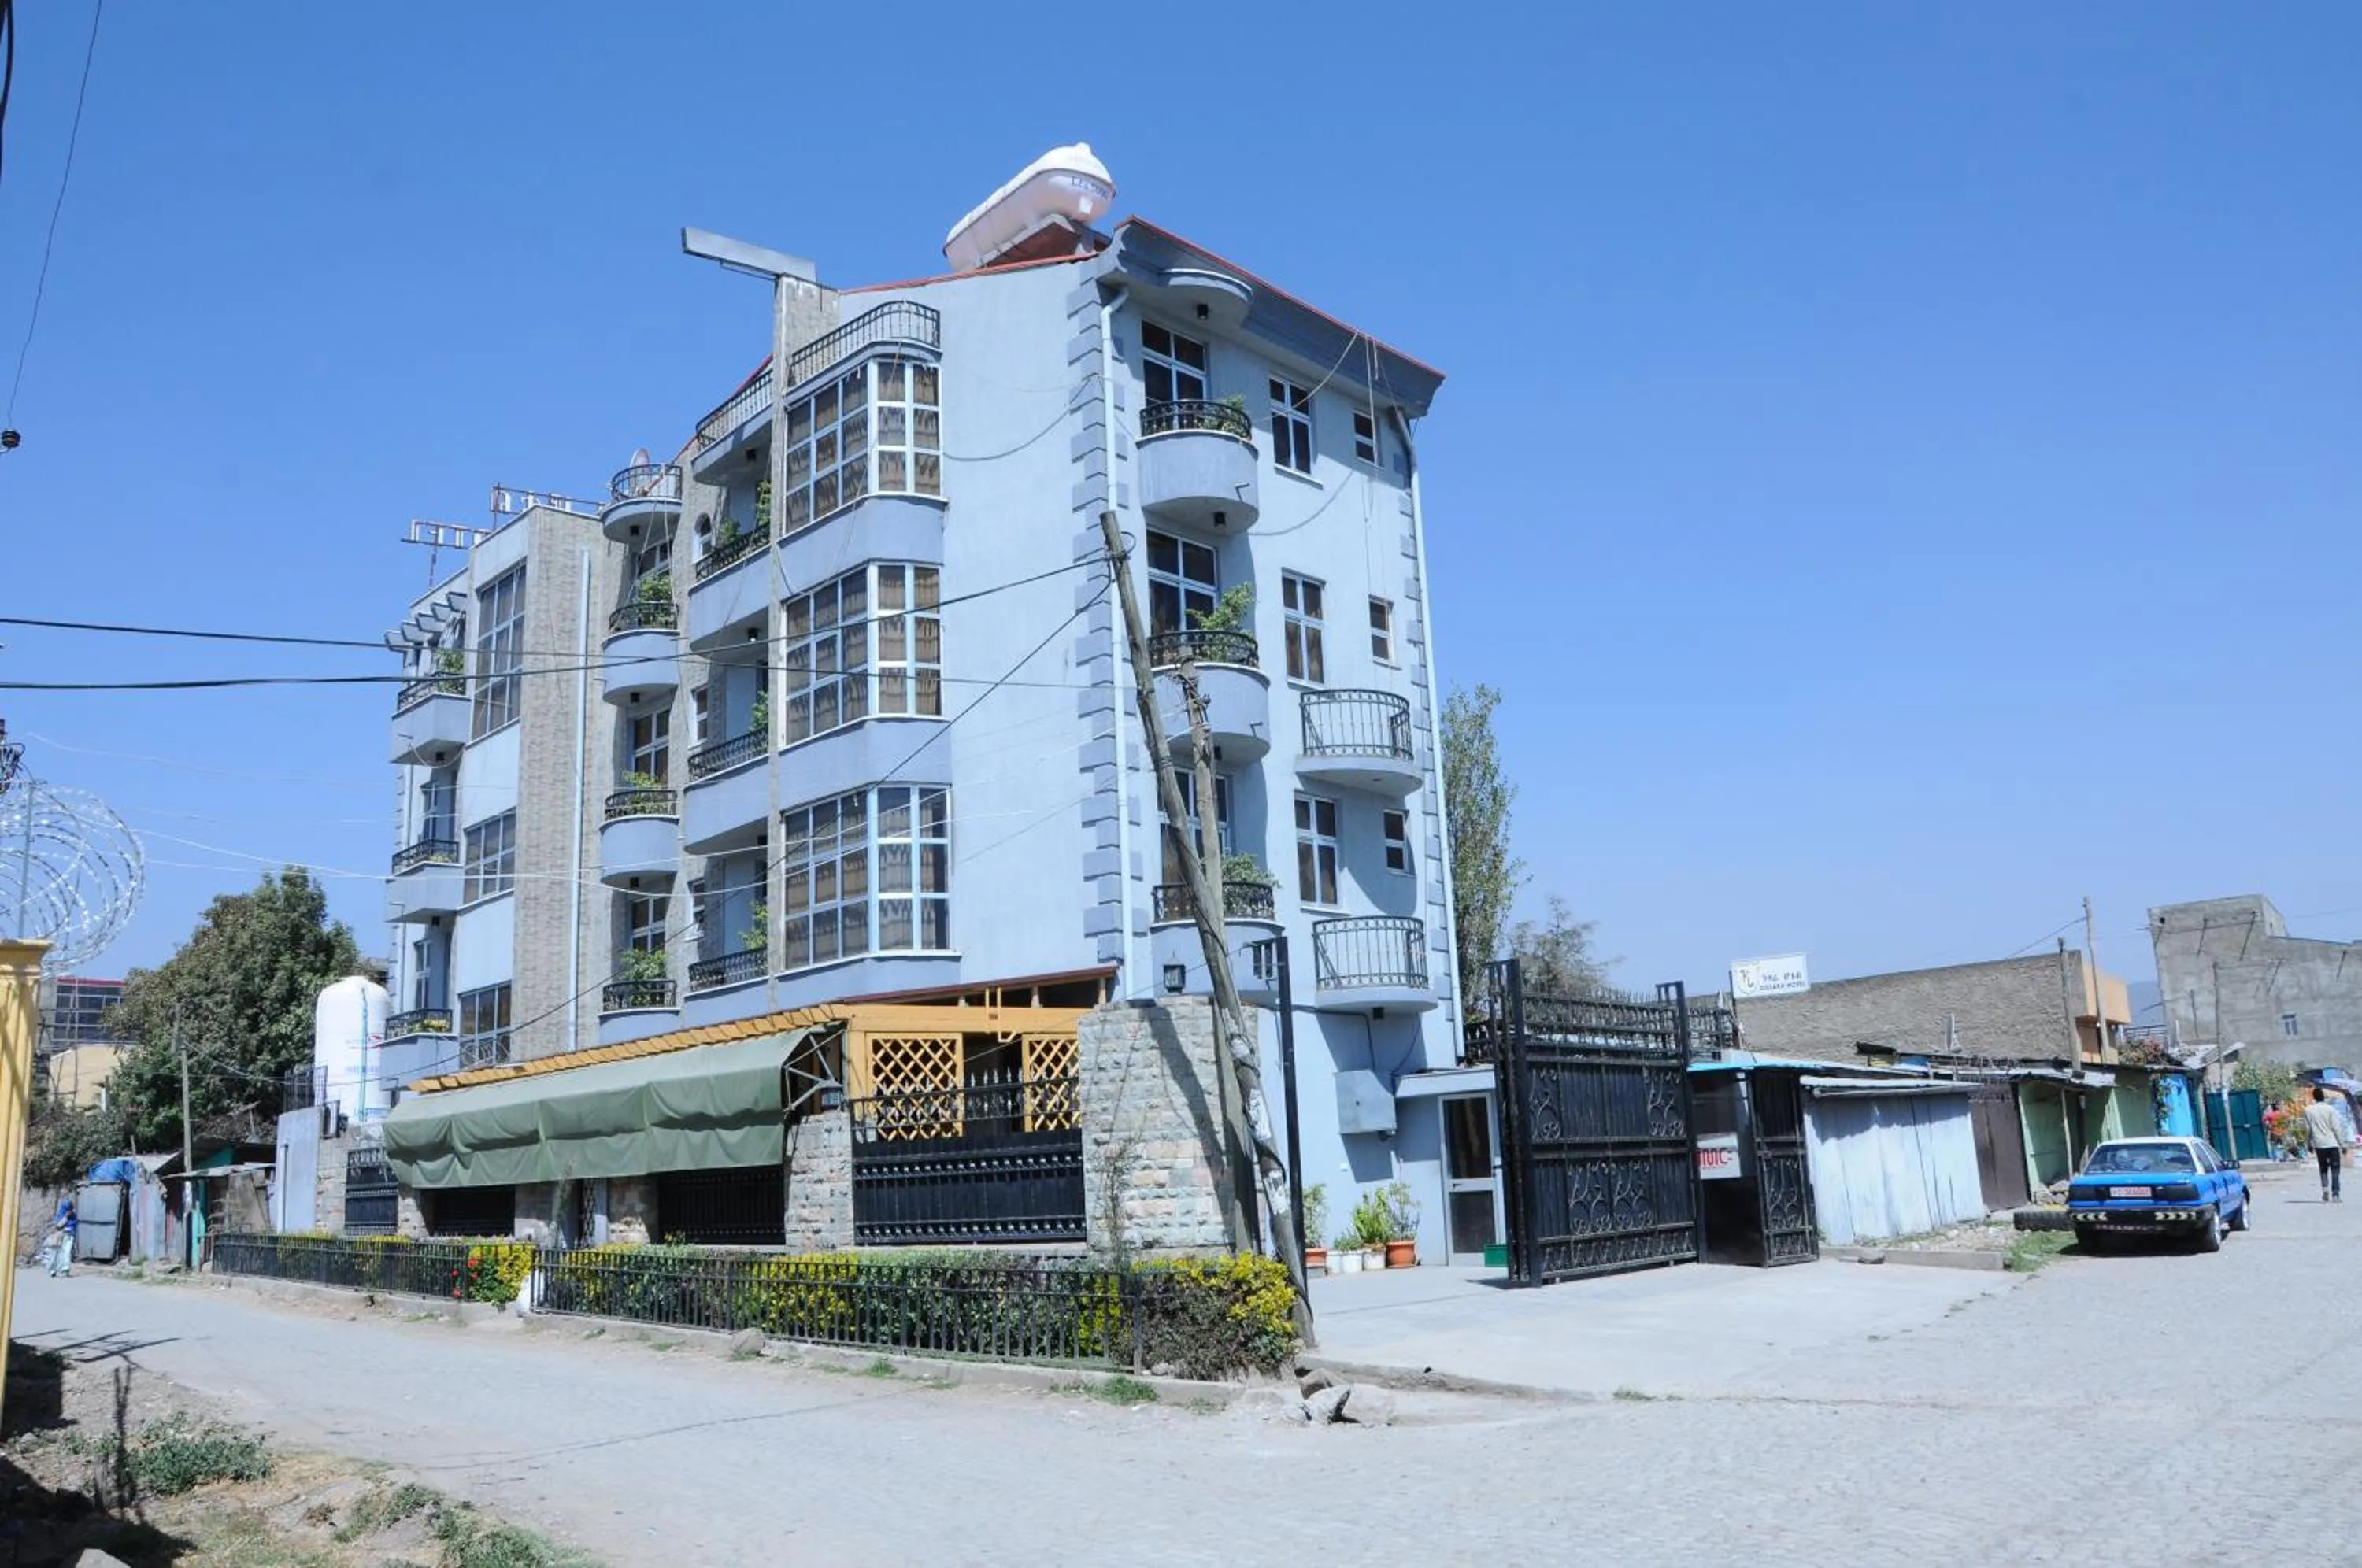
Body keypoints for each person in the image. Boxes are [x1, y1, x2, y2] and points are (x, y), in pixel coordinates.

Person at [2305, 1087, 2349, 1204]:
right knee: (2335, 1169)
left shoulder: (2309, 1110)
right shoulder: (2330, 1110)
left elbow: (2308, 1130)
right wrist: (2343, 1145)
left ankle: (2325, 1191)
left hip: (2319, 1144)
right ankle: (2336, 1194)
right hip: (2332, 1144)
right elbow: (2336, 1128)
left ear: (2314, 1097)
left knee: (2323, 1168)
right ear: (2324, 1097)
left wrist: (2309, 1144)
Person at [44, 1196, 75, 1277]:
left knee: (66, 1253)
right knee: (56, 1253)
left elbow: (73, 1225)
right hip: (59, 1236)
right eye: (69, 1210)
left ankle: (65, 1270)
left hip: (69, 1236)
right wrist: (66, 1217)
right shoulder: (61, 1214)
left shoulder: (73, 1216)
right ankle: (53, 1270)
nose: (70, 1211)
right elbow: (58, 1225)